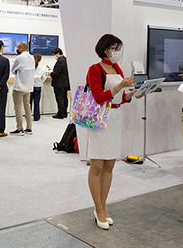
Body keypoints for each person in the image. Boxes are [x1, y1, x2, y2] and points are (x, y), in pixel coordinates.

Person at [82, 34, 143, 230]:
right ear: (105, 49)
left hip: (115, 118)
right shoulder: (95, 69)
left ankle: (103, 206)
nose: (117, 52)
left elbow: (120, 98)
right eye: (114, 48)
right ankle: (98, 208)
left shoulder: (117, 68)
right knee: (97, 166)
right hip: (100, 118)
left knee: (109, 165)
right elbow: (99, 97)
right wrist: (120, 86)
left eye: (119, 48)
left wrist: (131, 94)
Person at [10, 42, 35, 136]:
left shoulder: (19, 58)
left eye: (17, 48)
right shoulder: (31, 57)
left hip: (19, 87)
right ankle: (29, 128)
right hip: (28, 87)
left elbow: (13, 70)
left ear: (21, 48)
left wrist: (18, 71)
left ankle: (19, 128)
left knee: (18, 107)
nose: (17, 49)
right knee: (27, 107)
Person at [50, 48, 70, 119]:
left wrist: (50, 74)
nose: (54, 56)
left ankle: (60, 114)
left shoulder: (60, 61)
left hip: (59, 84)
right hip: (65, 83)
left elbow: (56, 73)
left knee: (59, 99)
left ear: (58, 53)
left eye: (54, 54)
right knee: (65, 98)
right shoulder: (66, 59)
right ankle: (64, 113)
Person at [30, 53, 48, 121]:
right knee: (36, 102)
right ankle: (36, 117)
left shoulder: (29, 67)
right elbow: (44, 78)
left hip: (30, 86)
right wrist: (40, 82)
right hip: (38, 86)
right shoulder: (43, 68)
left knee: (29, 103)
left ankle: (28, 116)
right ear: (40, 59)